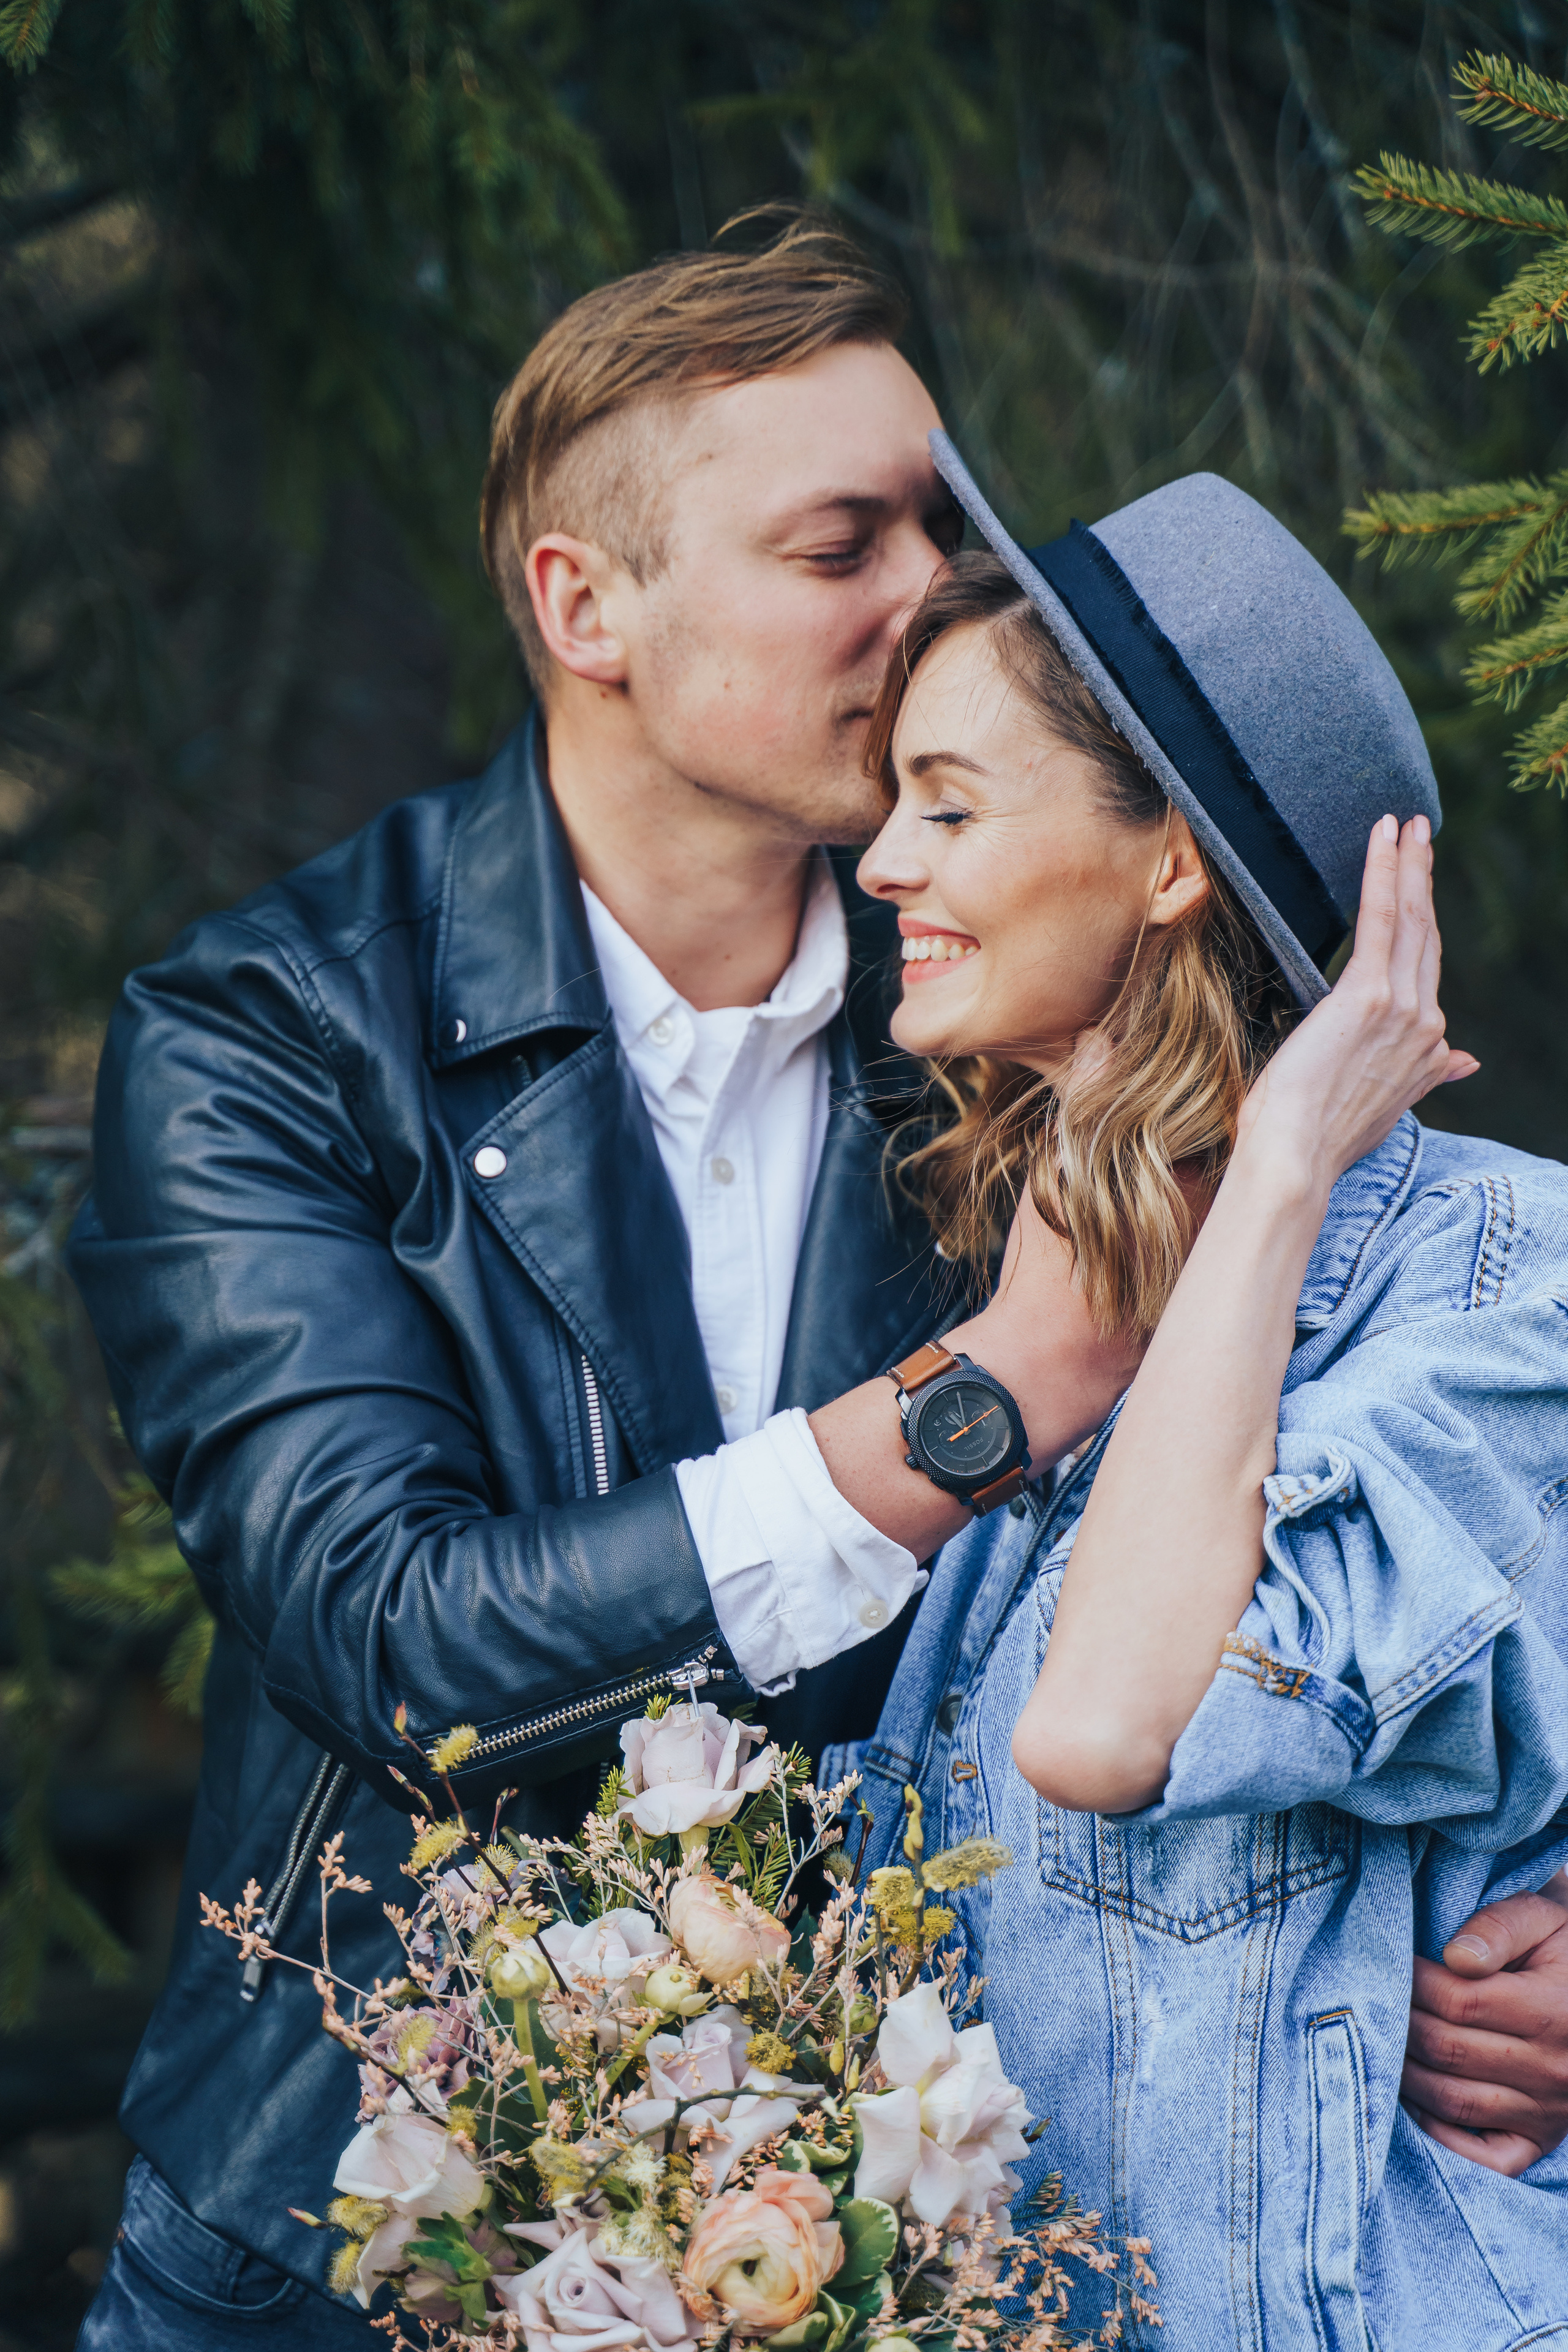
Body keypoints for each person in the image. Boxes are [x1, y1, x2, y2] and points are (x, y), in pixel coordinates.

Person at [66, 213, 1565, 2342]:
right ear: (583, 605)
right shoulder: (272, 1044)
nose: (932, 594)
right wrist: (988, 1394)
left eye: (944, 525)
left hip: (892, 2244)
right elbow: (396, 1639)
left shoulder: (1005, 1004)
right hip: (356, 2224)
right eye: (840, 540)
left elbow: (1412, 1557)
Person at [831, 444, 1568, 2345]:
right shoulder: (1001, 1286)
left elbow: (1100, 1732)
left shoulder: (1498, 1283)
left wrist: (1289, 1156)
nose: (884, 859)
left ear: (1168, 859)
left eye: (950, 804)